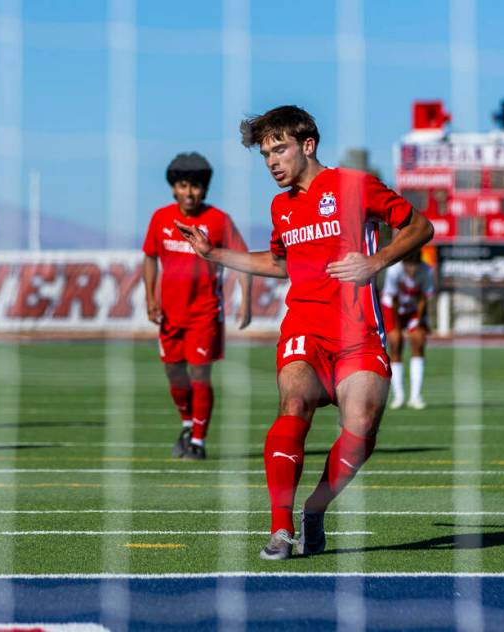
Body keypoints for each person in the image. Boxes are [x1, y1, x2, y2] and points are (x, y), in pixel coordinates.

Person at [176, 106, 433, 559]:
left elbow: (420, 227)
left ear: (307, 145)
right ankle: (280, 528)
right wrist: (213, 253)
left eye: (280, 150)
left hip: (359, 334)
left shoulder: (355, 186)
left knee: (361, 426)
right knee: (293, 404)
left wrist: (375, 262)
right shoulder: (282, 206)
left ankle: (316, 509)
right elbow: (279, 262)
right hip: (305, 330)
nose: (272, 162)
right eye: (265, 155)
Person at [143, 152, 252, 460]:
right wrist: (151, 298)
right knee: (174, 374)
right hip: (169, 315)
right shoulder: (161, 218)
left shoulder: (218, 221)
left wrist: (245, 300)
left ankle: (200, 442)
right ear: (173, 188)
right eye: (183, 186)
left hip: (204, 312)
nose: (189, 192)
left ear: (205, 189)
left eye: (195, 187)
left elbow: (243, 259)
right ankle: (188, 426)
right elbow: (150, 257)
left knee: (200, 374)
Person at [381, 250, 435, 410]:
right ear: (403, 264)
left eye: (415, 266)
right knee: (396, 342)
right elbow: (394, 298)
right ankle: (399, 396)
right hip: (393, 308)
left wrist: (418, 323)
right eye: (408, 266)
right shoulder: (394, 271)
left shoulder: (426, 271)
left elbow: (424, 298)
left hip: (413, 309)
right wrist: (397, 328)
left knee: (418, 340)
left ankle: (415, 396)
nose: (412, 270)